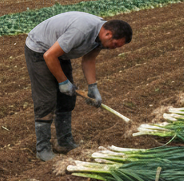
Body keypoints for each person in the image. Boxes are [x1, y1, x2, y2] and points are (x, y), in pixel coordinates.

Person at [23, 12, 132, 161]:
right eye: (115, 44)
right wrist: (63, 82)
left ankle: (64, 142)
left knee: (67, 99)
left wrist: (93, 87)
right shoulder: (82, 31)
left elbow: (89, 60)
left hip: (59, 52)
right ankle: (43, 149)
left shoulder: (100, 38)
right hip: (40, 49)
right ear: (108, 34)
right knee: (46, 100)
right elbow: (49, 56)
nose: (114, 48)